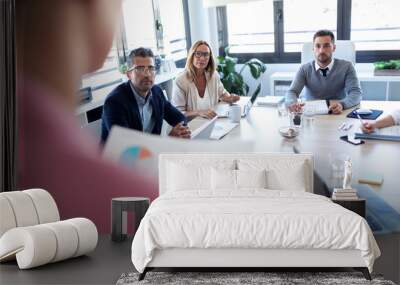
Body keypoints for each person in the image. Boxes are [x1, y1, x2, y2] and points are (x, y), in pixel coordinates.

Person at [16, 0, 158, 233]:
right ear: (92, 5)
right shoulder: (141, 211)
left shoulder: (157, 94)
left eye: (150, 68)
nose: (147, 74)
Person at [101, 47, 190, 143]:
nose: (147, 74)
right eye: (140, 69)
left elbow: (179, 118)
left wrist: (182, 130)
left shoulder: (157, 92)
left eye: (151, 68)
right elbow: (125, 147)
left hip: (150, 153)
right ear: (129, 74)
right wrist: (168, 140)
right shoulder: (114, 102)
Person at [286, 30, 362, 114]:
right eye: (318, 46)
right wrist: (293, 103)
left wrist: (342, 104)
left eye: (326, 46)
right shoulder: (304, 69)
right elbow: (292, 91)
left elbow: (356, 93)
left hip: (337, 113)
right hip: (311, 114)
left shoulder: (347, 67)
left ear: (333, 48)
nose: (321, 51)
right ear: (313, 49)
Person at [172, 40, 240, 120]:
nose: (202, 58)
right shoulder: (180, 80)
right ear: (192, 56)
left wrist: (230, 98)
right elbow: (177, 113)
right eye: (198, 54)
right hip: (191, 126)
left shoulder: (213, 75)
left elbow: (222, 94)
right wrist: (199, 112)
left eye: (206, 54)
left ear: (209, 58)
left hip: (212, 122)